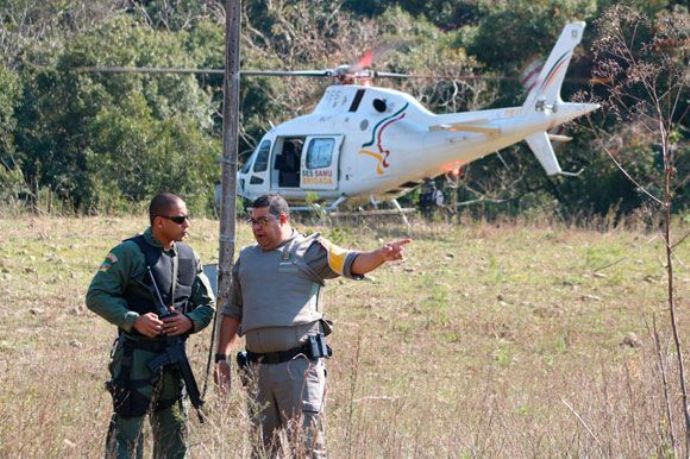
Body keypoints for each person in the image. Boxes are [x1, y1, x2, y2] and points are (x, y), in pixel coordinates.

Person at [214, 194, 411, 457]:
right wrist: (221, 358)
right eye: (252, 221)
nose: (256, 227)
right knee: (262, 451)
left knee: (306, 449)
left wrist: (381, 255)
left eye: (263, 220)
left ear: (283, 218)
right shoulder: (247, 258)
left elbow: (351, 261)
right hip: (257, 370)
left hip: (298, 368)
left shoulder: (310, 250)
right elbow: (232, 311)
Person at [86, 192, 215, 458]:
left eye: (186, 218)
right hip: (136, 359)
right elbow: (96, 296)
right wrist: (133, 320)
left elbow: (208, 304)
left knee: (174, 438)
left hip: (173, 361)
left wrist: (189, 321)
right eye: (179, 219)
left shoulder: (190, 257)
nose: (187, 224)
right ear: (159, 222)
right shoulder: (128, 253)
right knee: (127, 438)